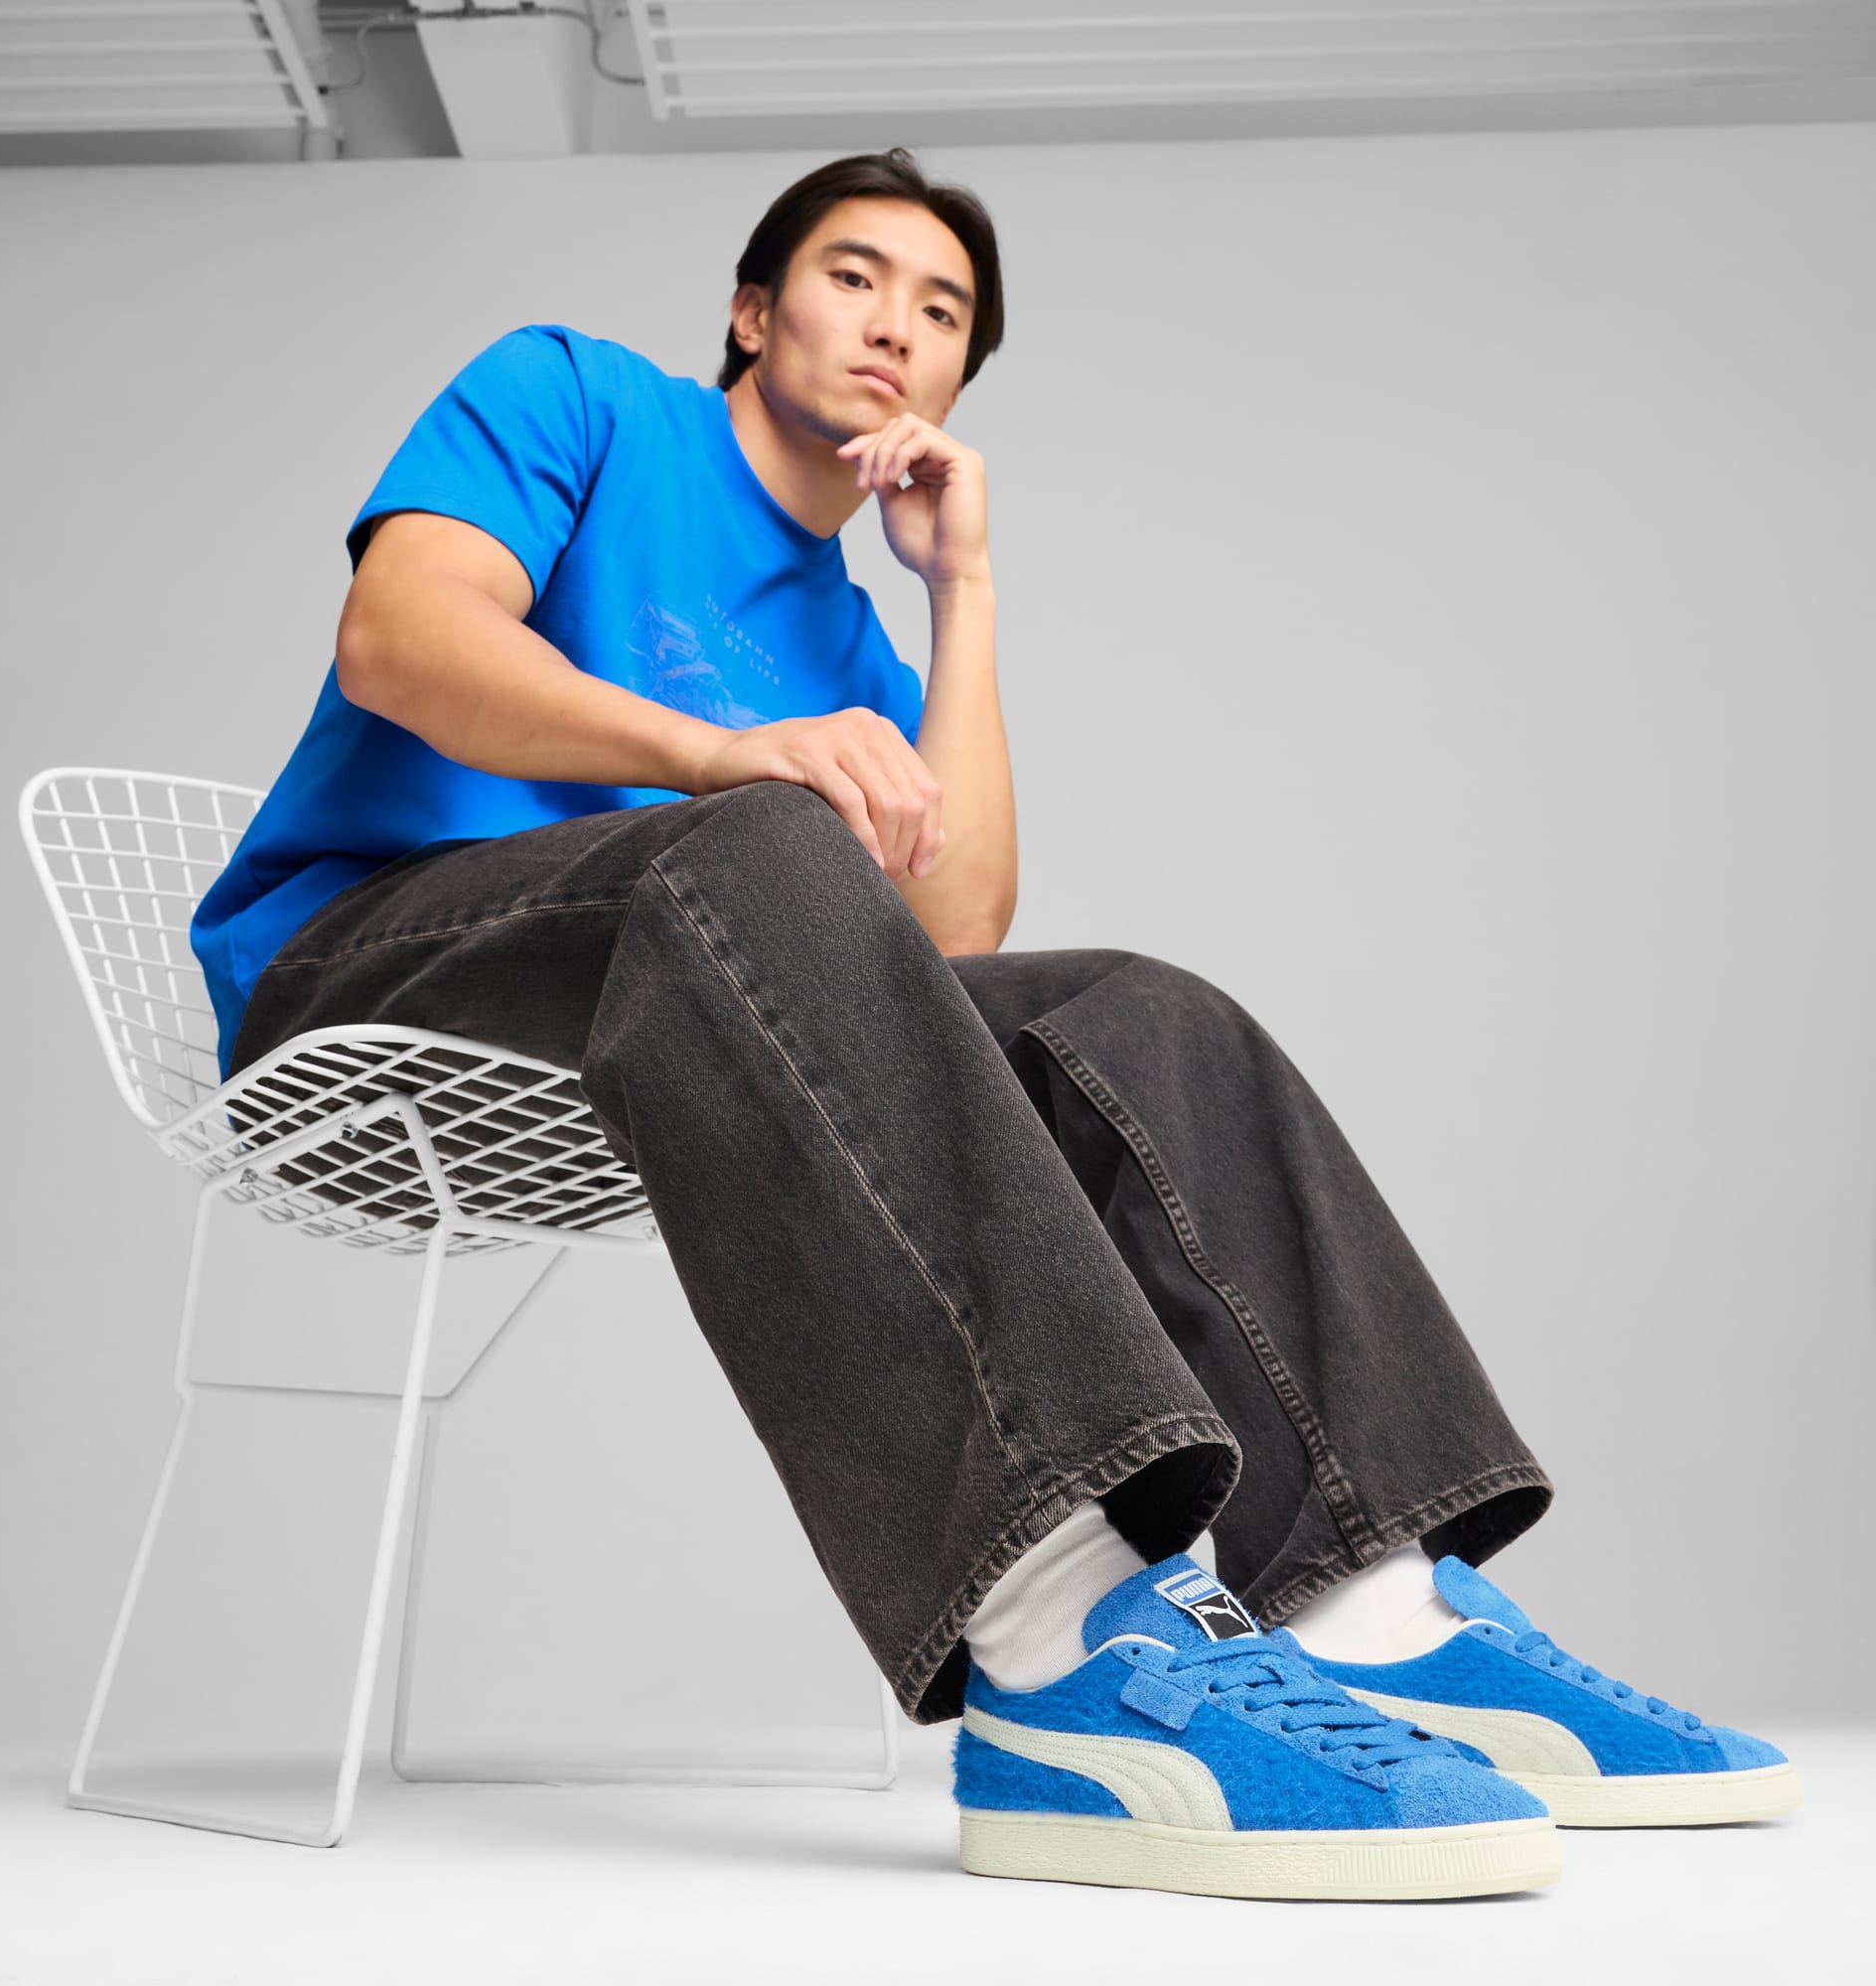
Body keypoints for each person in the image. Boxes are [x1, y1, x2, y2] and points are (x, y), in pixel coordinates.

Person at [190, 148, 1799, 1902]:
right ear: (754, 312)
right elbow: (400, 639)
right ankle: (1060, 1639)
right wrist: (726, 757)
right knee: (763, 843)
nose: (897, 324)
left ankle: (1375, 1610)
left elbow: (946, 942)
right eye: (855, 276)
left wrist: (959, 590)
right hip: (360, 994)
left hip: (663, 1027)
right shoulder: (575, 396)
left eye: (943, 312)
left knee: (1128, 1011)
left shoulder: (847, 638)